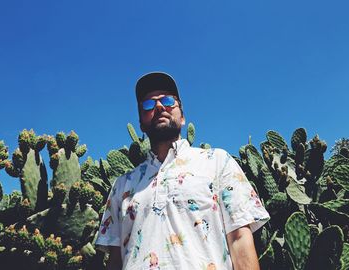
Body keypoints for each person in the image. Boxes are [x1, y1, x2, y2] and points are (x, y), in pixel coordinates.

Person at [96, 72, 270, 270]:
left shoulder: (217, 162)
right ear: (141, 124)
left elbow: (240, 240)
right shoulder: (122, 185)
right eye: (148, 105)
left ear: (183, 116)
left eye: (168, 100)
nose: (159, 106)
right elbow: (115, 262)